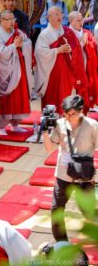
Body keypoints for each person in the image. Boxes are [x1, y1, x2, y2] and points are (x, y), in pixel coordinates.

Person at [43, 95, 98, 241]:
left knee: (88, 211)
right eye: (66, 114)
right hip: (63, 174)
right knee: (56, 210)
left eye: (73, 114)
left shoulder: (93, 126)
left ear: (81, 111)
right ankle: (62, 243)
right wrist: (44, 132)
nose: (69, 117)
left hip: (85, 175)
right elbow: (49, 149)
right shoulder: (60, 124)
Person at [35, 7, 88, 115]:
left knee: (65, 96)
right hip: (51, 73)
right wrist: (57, 50)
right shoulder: (44, 34)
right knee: (51, 98)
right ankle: (50, 124)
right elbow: (39, 53)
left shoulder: (67, 32)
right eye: (56, 14)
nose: (60, 17)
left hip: (66, 73)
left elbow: (76, 50)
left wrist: (70, 50)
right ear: (49, 17)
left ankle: (65, 122)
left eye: (60, 14)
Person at [0, 11, 32, 136]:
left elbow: (28, 43)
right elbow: (0, 54)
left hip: (18, 70)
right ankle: (2, 126)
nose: (12, 22)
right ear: (1, 21)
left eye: (13, 19)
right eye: (8, 19)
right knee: (6, 100)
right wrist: (14, 46)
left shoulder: (18, 33)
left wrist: (22, 45)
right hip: (4, 74)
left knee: (19, 97)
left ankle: (15, 124)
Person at [69, 11, 98, 109]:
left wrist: (89, 43)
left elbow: (93, 45)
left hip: (87, 67)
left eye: (82, 19)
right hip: (74, 70)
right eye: (78, 20)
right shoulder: (67, 34)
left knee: (88, 89)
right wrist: (82, 44)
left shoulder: (86, 32)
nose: (81, 22)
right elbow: (69, 53)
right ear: (72, 21)